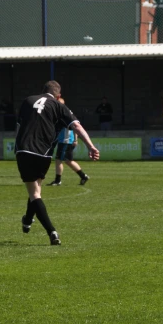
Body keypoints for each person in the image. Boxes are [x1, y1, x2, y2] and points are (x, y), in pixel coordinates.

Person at [15, 80, 99, 245]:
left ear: (42, 90)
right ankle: (27, 220)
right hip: (44, 153)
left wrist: (18, 146)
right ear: (58, 95)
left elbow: (18, 126)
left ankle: (51, 231)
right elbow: (77, 126)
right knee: (36, 190)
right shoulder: (59, 105)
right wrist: (91, 146)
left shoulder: (28, 100)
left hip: (25, 150)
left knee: (34, 193)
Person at [48, 97, 90, 187]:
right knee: (67, 160)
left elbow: (75, 126)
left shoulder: (65, 114)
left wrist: (75, 139)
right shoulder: (60, 114)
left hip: (66, 140)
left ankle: (58, 180)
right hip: (64, 140)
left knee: (60, 160)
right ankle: (83, 176)